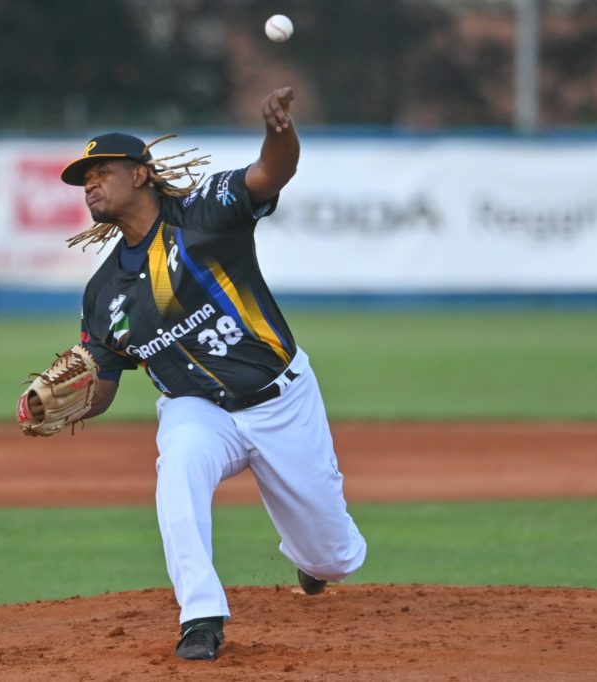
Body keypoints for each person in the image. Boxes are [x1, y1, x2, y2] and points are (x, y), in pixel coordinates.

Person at [31, 87, 367, 661]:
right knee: (179, 465)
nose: (89, 184)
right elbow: (104, 383)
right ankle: (201, 618)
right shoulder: (103, 293)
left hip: (281, 399)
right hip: (197, 409)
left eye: (102, 171)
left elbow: (272, 172)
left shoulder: (206, 213)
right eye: (83, 179)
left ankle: (311, 562)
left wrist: (279, 130)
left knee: (334, 558)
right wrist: (66, 402)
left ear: (141, 174)